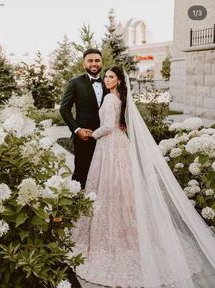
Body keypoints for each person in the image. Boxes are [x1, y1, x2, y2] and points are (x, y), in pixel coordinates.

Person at [71, 66, 215, 288]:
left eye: (111, 76)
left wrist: (92, 134)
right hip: (120, 143)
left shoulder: (110, 99)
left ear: (118, 80)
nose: (107, 79)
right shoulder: (120, 98)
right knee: (124, 186)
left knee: (109, 187)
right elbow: (119, 124)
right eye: (106, 76)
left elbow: (108, 126)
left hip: (109, 145)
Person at [60, 48, 108, 190]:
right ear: (84, 64)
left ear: (101, 63)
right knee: (81, 174)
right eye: (90, 61)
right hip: (84, 137)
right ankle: (78, 205)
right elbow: (64, 109)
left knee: (103, 174)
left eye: (97, 60)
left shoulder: (108, 82)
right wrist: (77, 130)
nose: (94, 63)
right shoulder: (75, 83)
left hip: (105, 136)